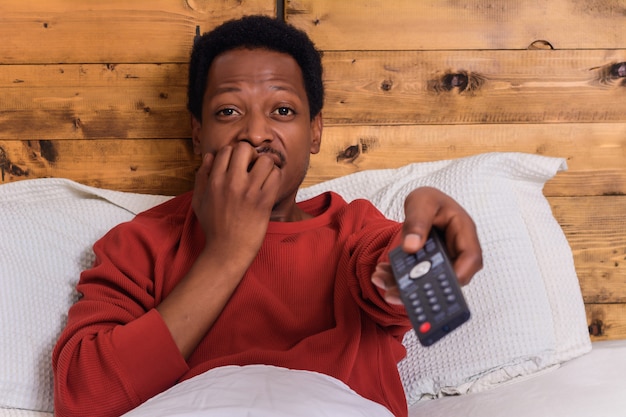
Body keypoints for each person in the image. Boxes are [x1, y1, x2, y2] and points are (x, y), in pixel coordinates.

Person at [52, 15, 482, 417]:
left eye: (282, 111)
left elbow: (410, 286)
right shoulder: (140, 243)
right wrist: (227, 252)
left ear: (315, 131)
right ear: (199, 132)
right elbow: (85, 397)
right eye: (228, 111)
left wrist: (432, 243)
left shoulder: (352, 231)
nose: (256, 133)